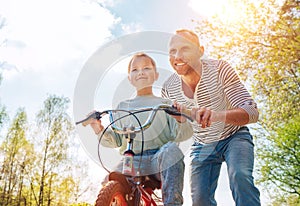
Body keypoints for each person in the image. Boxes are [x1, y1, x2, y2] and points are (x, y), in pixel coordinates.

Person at [161, 29, 261, 206]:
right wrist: (179, 119)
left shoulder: (220, 69)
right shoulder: (169, 88)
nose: (177, 56)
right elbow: (177, 131)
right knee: (200, 199)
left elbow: (252, 112)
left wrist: (216, 115)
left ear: (200, 50)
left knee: (240, 176)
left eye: (185, 48)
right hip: (202, 144)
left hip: (234, 136)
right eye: (172, 51)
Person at [89, 52, 193, 206]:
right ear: (130, 78)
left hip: (158, 158)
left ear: (156, 75)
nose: (141, 72)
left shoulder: (166, 104)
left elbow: (182, 134)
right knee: (110, 179)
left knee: (172, 150)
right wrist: (98, 128)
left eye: (146, 68)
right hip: (132, 158)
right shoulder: (123, 107)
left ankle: (173, 203)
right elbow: (117, 140)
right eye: (135, 70)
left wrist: (181, 119)